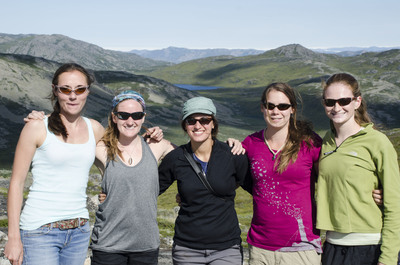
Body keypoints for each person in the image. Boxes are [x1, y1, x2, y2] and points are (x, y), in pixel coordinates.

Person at [4, 63, 105, 265]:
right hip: (39, 231)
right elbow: (16, 183)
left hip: (79, 231)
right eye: (66, 89)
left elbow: (118, 162)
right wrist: (13, 238)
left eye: (80, 89)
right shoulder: (36, 127)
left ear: (88, 92)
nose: (73, 96)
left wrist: (152, 137)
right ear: (55, 91)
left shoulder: (94, 128)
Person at [316, 73, 400, 265]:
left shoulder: (377, 142)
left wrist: (387, 258)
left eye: (344, 100)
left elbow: (395, 205)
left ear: (357, 101)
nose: (337, 107)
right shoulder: (325, 142)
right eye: (330, 102)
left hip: (369, 247)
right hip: (332, 247)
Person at [158, 96, 249, 265]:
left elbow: (257, 189)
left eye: (205, 120)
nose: (198, 126)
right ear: (185, 125)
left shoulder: (231, 155)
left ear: (213, 123)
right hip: (187, 249)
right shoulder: (175, 158)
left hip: (227, 249)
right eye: (191, 120)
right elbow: (150, 189)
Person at [90, 90, 175, 265]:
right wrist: (41, 119)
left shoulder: (156, 147)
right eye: (123, 115)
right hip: (108, 245)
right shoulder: (101, 148)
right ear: (114, 117)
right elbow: (67, 139)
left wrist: (232, 145)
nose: (130, 121)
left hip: (146, 246)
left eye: (136, 115)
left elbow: (194, 156)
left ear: (143, 117)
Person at [241, 82, 322, 265]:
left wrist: (370, 190)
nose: (276, 111)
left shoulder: (310, 143)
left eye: (283, 106)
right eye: (271, 106)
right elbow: (226, 176)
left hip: (302, 246)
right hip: (260, 248)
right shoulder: (251, 143)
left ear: (292, 109)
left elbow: (333, 178)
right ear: (263, 108)